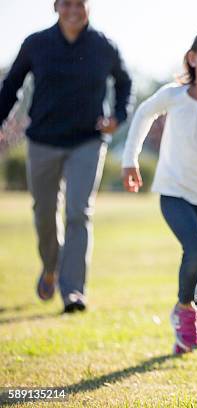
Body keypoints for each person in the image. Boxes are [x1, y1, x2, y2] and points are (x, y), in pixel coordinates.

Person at [121, 25, 197, 355]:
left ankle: (187, 332)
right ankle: (183, 310)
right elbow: (144, 114)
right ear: (193, 58)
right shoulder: (173, 96)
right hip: (174, 191)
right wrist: (130, 159)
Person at [0, 0, 132, 313]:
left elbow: (125, 83)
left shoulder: (104, 46)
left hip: (87, 141)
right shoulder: (36, 44)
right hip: (43, 141)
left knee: (78, 212)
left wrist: (118, 115)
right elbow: (11, 86)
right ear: (56, 7)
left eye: (80, 4)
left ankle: (73, 291)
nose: (74, 10)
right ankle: (50, 267)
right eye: (67, 3)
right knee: (43, 212)